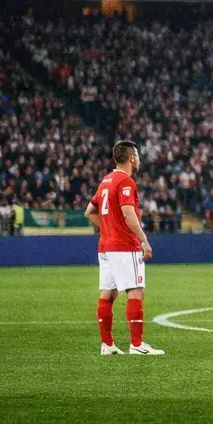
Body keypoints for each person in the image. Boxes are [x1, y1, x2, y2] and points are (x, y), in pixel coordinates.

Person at [86, 141, 164, 356]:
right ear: (131, 158)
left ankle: (107, 344)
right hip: (123, 246)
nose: (138, 158)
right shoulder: (125, 181)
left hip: (105, 247)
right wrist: (143, 240)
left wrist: (109, 230)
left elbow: (89, 212)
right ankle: (137, 345)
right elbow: (129, 214)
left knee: (108, 294)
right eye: (137, 155)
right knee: (136, 291)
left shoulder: (106, 180)